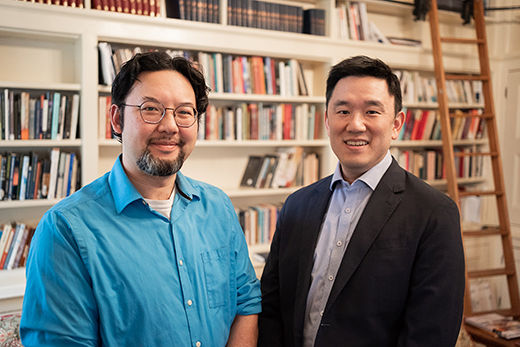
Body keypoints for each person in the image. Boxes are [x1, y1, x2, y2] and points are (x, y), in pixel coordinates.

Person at [20, 51, 261, 347]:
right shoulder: (66, 230)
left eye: (184, 112)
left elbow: (245, 304)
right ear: (117, 119)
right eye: (151, 109)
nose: (170, 126)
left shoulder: (218, 207)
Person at [258, 55, 465, 347]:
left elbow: (431, 333)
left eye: (371, 112)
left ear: (396, 124)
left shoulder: (434, 213)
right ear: (327, 121)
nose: (355, 125)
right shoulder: (297, 205)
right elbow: (271, 306)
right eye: (343, 111)